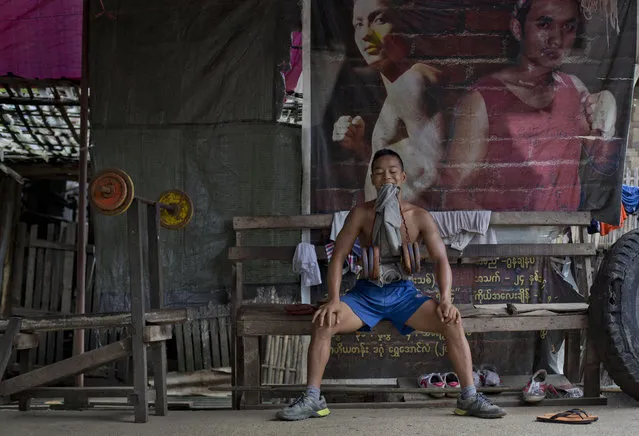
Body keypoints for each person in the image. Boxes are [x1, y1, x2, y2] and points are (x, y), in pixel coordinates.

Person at [276, 149, 507, 421]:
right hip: (365, 295)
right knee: (324, 322)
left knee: (452, 321)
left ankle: (468, 396)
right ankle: (313, 398)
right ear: (372, 179)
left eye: (392, 172)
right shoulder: (360, 214)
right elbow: (337, 258)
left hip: (404, 296)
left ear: (403, 177)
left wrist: (446, 299)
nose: (386, 176)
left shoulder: (418, 216)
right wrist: (335, 299)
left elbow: (441, 259)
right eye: (379, 172)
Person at [443, 0, 619, 212]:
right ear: (518, 29)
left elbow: (602, 166)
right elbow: (453, 194)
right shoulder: (482, 99)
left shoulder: (575, 91)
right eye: (544, 24)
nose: (557, 39)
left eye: (568, 27)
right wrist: (495, 232)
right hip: (499, 236)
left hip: (556, 238)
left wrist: (606, 128)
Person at [332, 0, 445, 204]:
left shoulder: (413, 81)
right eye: (359, 24)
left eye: (379, 19)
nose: (366, 34)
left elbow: (433, 174)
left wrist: (391, 215)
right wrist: (359, 147)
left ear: (403, 22)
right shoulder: (396, 88)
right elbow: (405, 167)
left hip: (405, 229)